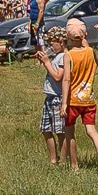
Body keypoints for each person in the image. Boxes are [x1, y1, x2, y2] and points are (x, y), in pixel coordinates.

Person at [59, 18, 98, 173]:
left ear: (67, 37)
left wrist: (63, 104)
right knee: (92, 131)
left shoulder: (68, 55)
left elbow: (66, 78)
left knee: (70, 133)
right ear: (85, 34)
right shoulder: (90, 51)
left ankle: (74, 166)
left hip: (73, 101)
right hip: (88, 100)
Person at [33, 27, 69, 164]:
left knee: (60, 131)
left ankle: (63, 160)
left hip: (58, 98)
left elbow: (58, 76)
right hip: (49, 97)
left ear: (61, 41)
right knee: (46, 129)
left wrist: (47, 63)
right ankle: (53, 159)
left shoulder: (64, 57)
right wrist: (44, 60)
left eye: (52, 43)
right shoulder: (56, 55)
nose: (50, 46)